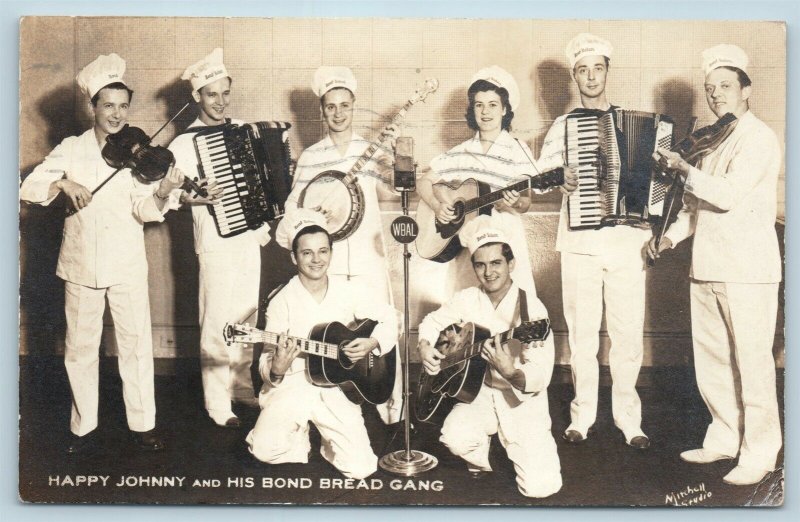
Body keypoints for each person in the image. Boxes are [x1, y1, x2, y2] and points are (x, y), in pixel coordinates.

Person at [20, 53, 185, 454]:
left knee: (135, 345)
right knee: (79, 348)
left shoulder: (136, 151)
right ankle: (83, 427)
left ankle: (143, 423)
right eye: (107, 105)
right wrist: (62, 183)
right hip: (79, 264)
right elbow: (27, 188)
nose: (116, 114)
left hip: (127, 263)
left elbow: (143, 210)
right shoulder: (71, 148)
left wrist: (162, 193)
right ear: (92, 107)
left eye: (123, 106)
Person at [648, 44, 783, 486]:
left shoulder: (760, 137)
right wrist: (667, 238)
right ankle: (724, 437)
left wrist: (684, 168)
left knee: (752, 363)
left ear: (747, 90)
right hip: (705, 265)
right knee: (713, 362)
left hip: (747, 270)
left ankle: (761, 451)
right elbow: (694, 206)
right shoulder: (713, 137)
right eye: (710, 89)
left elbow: (725, 194)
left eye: (725, 86)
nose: (716, 95)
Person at [538, 34, 651, 449]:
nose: (590, 76)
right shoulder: (562, 127)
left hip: (626, 243)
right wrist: (561, 176)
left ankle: (629, 419)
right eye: (582, 70)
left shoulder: (634, 121)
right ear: (574, 76)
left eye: (597, 68)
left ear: (607, 72)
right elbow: (542, 173)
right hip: (580, 244)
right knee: (582, 334)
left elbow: (651, 180)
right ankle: (582, 416)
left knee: (627, 334)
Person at [284, 66, 402, 424]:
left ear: (354, 107)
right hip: (328, 260)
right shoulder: (311, 157)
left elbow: (397, 187)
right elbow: (293, 207)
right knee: (330, 330)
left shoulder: (370, 150)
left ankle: (389, 402)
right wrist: (309, 214)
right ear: (322, 112)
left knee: (381, 320)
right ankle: (331, 403)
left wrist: (394, 156)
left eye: (345, 105)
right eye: (330, 107)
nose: (338, 113)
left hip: (368, 252)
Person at [246, 209, 399, 479]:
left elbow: (391, 317)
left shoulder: (349, 289)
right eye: (307, 253)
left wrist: (371, 342)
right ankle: (298, 435)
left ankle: (330, 445)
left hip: (337, 387)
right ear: (294, 257)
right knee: (264, 450)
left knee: (361, 468)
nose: (316, 260)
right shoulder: (281, 300)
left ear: (331, 253)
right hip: (294, 385)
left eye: (323, 251)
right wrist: (277, 369)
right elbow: (266, 359)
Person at [417, 214, 562, 498]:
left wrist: (511, 372)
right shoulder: (468, 298)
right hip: (478, 394)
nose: (488, 272)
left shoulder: (532, 311)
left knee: (540, 489)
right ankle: (492, 455)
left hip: (520, 402)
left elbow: (540, 375)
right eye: (480, 265)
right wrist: (424, 346)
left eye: (496, 263)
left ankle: (517, 450)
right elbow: (432, 322)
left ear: (511, 264)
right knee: (454, 438)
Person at [167, 48, 272, 428]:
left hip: (247, 238)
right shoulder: (181, 144)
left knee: (247, 316)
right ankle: (216, 402)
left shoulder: (243, 129)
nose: (221, 102)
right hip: (213, 241)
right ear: (197, 97)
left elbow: (262, 178)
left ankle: (241, 387)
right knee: (215, 320)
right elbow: (168, 195)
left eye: (225, 93)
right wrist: (192, 196)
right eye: (212, 94)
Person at [418, 66, 574, 299]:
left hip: (505, 240)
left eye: (493, 104)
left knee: (510, 314)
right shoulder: (462, 152)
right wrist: (437, 205)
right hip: (466, 247)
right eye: (479, 105)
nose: (485, 112)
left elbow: (525, 203)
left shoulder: (517, 149)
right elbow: (424, 181)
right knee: (467, 314)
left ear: (504, 110)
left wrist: (513, 204)